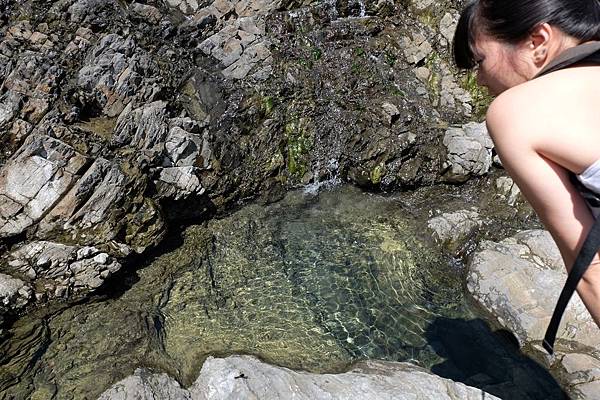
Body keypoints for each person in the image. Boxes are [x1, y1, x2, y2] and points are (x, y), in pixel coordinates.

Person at [452, 0, 600, 329]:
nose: (479, 80)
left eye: (479, 61)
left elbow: (590, 270)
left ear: (538, 41)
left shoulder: (515, 112)